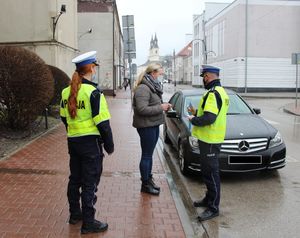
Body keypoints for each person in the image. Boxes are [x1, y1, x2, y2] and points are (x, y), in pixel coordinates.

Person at [60, 51, 114, 234]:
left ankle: (75, 214)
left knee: (75, 179)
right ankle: (89, 223)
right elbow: (103, 123)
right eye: (95, 67)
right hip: (90, 145)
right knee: (90, 182)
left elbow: (64, 118)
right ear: (91, 68)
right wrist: (109, 145)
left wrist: (75, 130)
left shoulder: (66, 92)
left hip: (73, 143)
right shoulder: (94, 92)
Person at [187, 65, 229, 221]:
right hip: (210, 140)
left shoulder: (213, 93)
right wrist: (196, 113)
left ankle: (213, 207)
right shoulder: (221, 92)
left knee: (211, 174)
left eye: (204, 76)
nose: (203, 79)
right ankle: (208, 199)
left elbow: (209, 118)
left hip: (211, 140)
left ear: (209, 76)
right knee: (207, 173)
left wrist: (194, 119)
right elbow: (213, 115)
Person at [132, 63, 172, 196]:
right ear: (152, 73)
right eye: (159, 74)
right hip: (146, 126)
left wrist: (164, 106)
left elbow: (152, 104)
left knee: (149, 155)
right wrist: (161, 107)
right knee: (146, 155)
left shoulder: (152, 86)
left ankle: (149, 180)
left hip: (153, 124)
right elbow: (141, 109)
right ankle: (145, 184)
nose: (160, 77)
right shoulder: (143, 88)